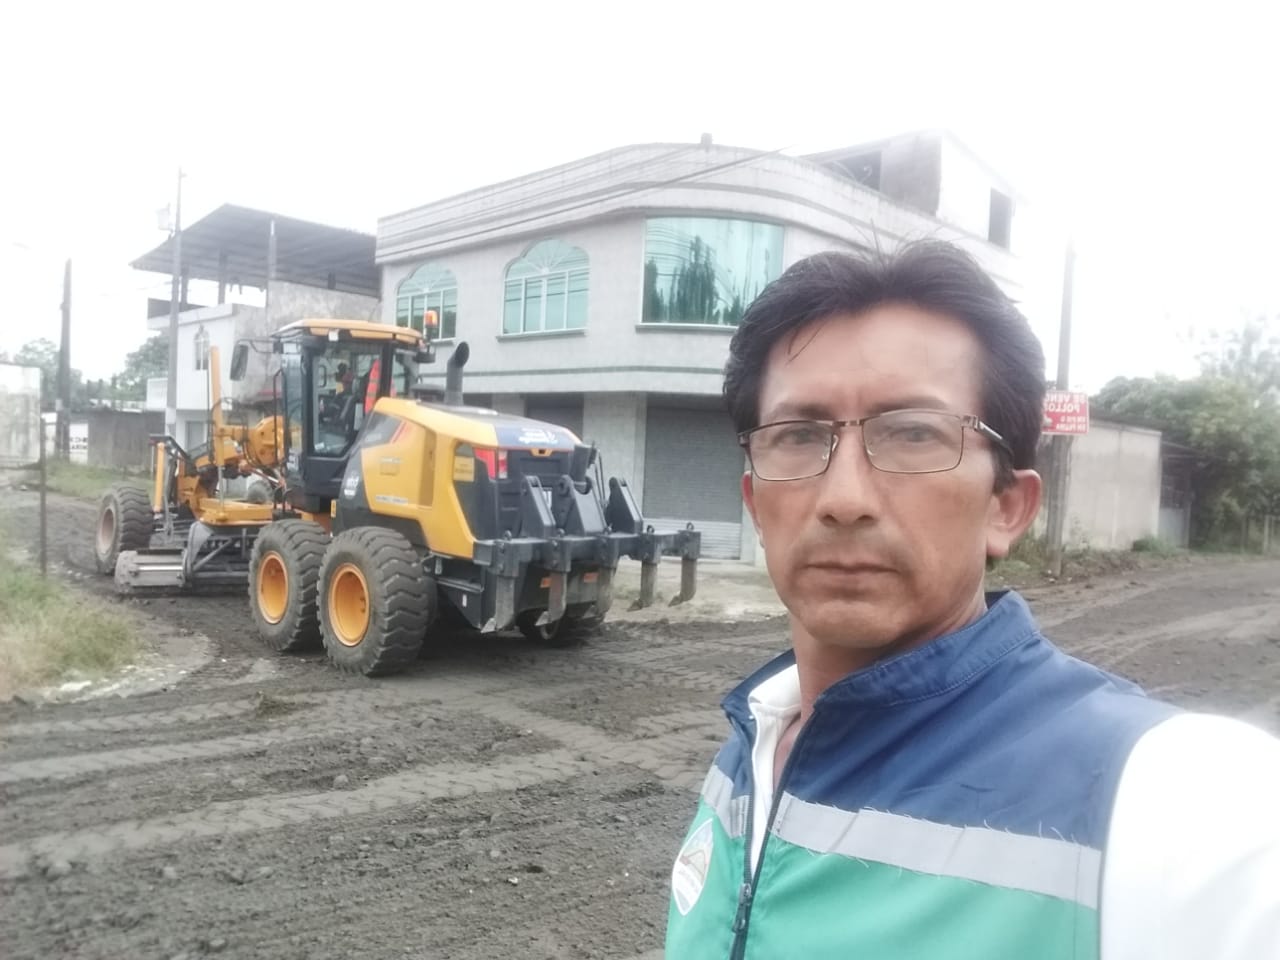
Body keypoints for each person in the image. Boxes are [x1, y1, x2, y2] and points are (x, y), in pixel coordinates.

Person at [665, 241, 1280, 959]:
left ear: (1007, 507)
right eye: (798, 435)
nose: (844, 499)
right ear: (754, 503)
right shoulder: (752, 744)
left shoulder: (1178, 805)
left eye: (913, 433)